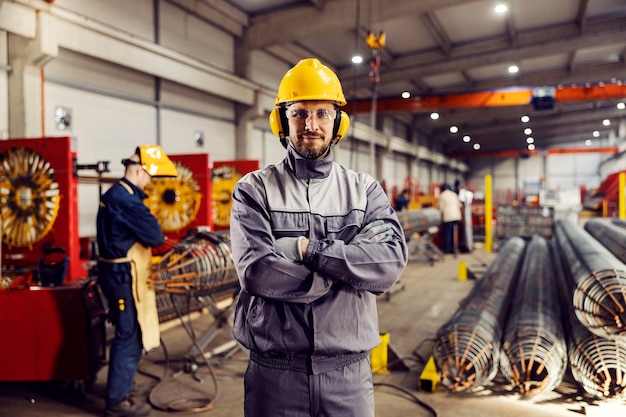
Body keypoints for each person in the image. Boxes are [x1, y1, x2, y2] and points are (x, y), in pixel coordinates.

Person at [229, 58, 408, 417]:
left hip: (348, 375)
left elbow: (388, 263)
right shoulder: (254, 190)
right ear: (282, 120)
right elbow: (257, 271)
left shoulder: (364, 191)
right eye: (299, 113)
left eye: (323, 113)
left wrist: (304, 250)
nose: (311, 125)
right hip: (276, 373)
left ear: (338, 121)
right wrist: (343, 272)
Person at [96, 145, 177, 417]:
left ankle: (123, 388)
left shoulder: (122, 194)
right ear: (140, 171)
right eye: (150, 176)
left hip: (121, 275)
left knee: (133, 332)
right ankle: (116, 402)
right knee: (127, 335)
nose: (151, 182)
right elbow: (154, 236)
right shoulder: (125, 199)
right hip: (122, 278)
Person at [437, 183, 462, 254]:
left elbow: (440, 208)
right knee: (453, 233)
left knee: (447, 233)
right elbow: (459, 205)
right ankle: (453, 248)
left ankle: (446, 249)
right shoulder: (454, 194)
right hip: (456, 216)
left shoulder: (442, 195)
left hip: (448, 217)